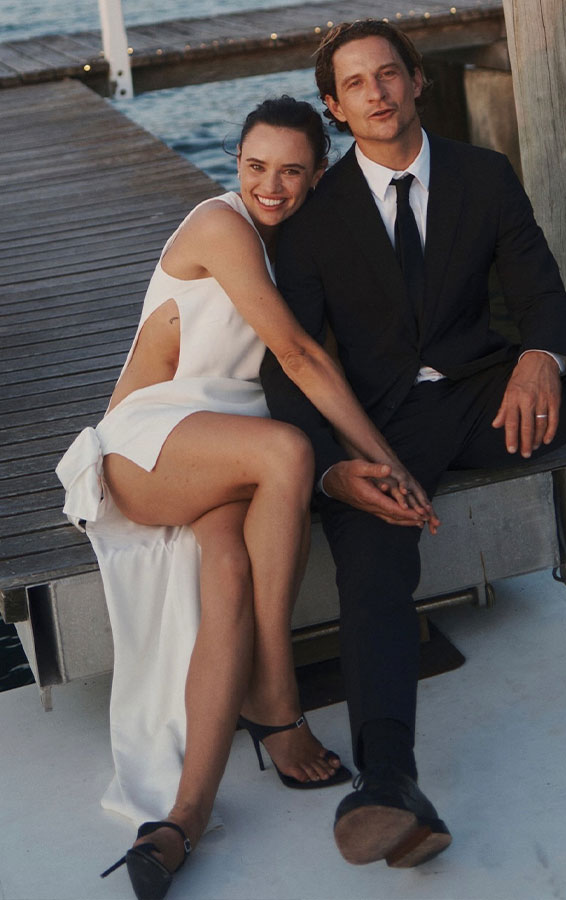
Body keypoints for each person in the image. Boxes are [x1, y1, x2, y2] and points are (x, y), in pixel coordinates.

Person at [260, 20, 566, 869]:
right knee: (374, 552)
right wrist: (334, 467)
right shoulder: (310, 227)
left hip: (483, 398)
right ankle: (388, 774)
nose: (378, 92)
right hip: (379, 427)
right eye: (356, 84)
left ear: (419, 81)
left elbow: (545, 297)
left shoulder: (483, 176)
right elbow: (295, 370)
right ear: (335, 107)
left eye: (390, 74)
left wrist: (542, 356)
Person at [56, 96, 435, 900]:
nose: (272, 184)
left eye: (293, 170)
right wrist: (387, 459)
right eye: (257, 166)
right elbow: (297, 356)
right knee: (287, 449)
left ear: (317, 174)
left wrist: (354, 464)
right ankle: (275, 697)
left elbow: (335, 358)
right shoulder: (220, 225)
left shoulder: (300, 247)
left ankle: (182, 817)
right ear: (237, 163)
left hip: (231, 452)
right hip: (150, 441)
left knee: (226, 569)